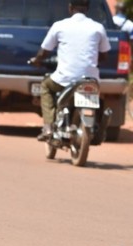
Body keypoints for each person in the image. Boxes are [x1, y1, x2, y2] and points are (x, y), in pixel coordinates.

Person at [30, 0, 110, 141]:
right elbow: (104, 55)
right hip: (91, 80)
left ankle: (48, 127)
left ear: (70, 8)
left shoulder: (60, 26)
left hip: (64, 79)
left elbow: (44, 52)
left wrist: (36, 60)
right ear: (87, 8)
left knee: (46, 86)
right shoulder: (98, 28)